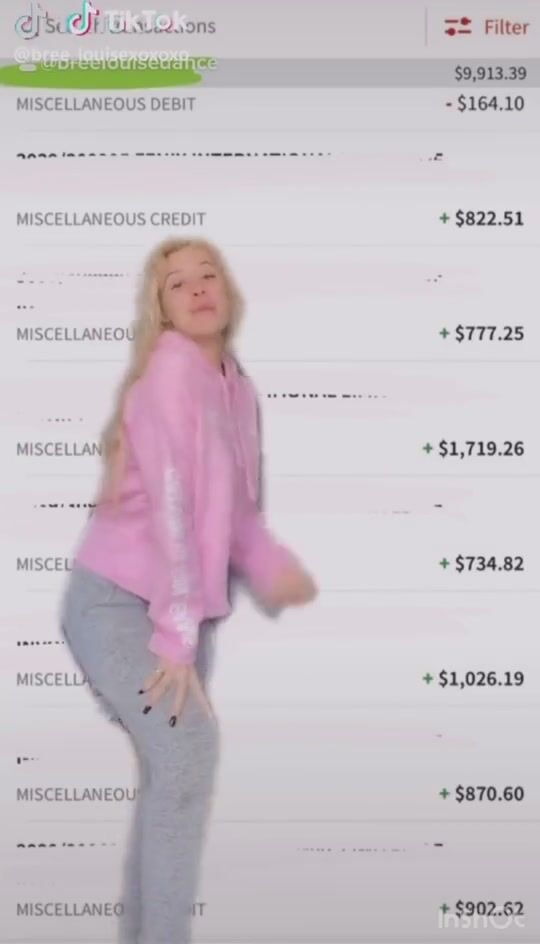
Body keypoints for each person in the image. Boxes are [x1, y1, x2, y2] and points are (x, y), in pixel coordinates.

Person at [59, 236, 318, 944]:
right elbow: (173, 509)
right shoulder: (171, 375)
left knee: (172, 775)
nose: (199, 287)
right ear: (162, 310)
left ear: (229, 293)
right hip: (118, 603)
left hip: (177, 611)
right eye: (178, 283)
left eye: (209, 275)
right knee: (187, 757)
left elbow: (238, 514)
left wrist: (273, 570)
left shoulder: (235, 385)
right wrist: (175, 635)